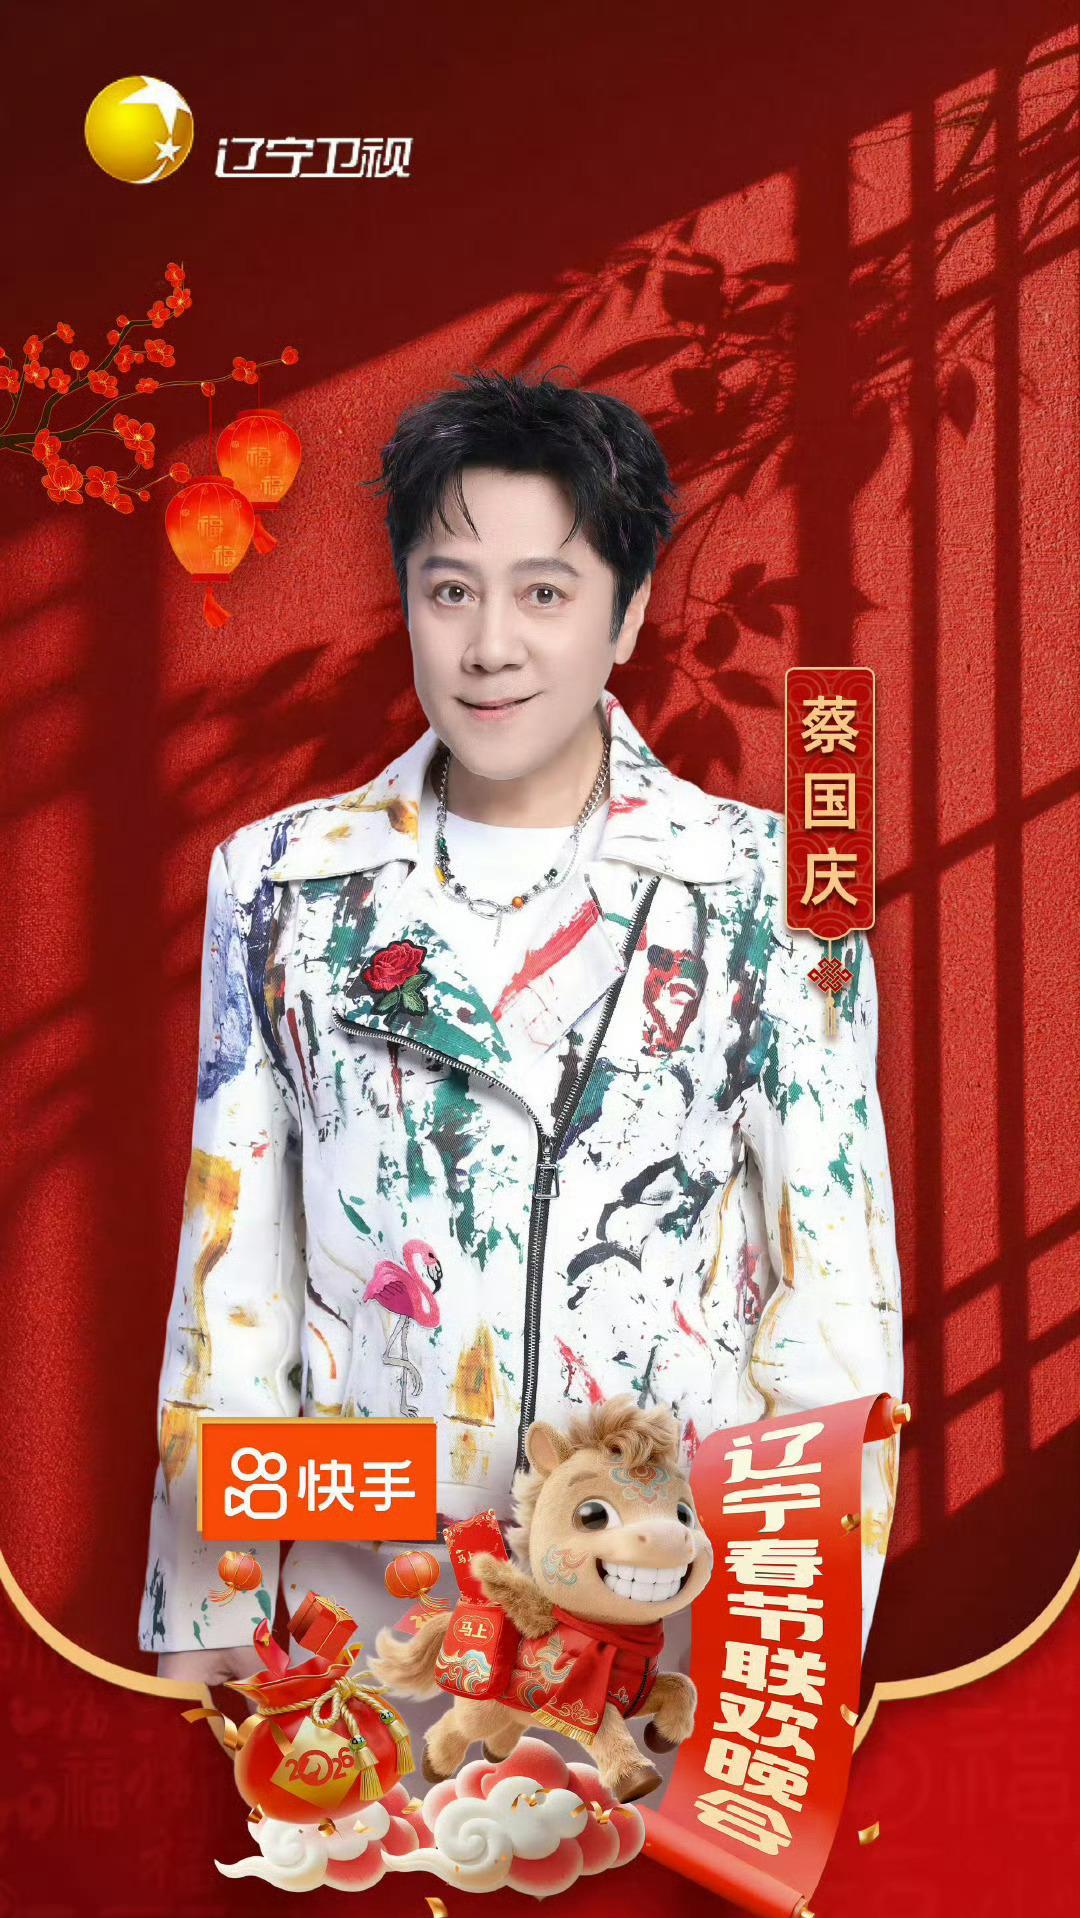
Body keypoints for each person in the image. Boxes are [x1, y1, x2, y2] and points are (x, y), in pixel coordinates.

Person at [143, 369, 903, 1704]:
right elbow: (233, 1279)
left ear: (630, 610)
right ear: (408, 604)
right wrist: (211, 1606)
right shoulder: (282, 882)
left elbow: (835, 1306)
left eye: (545, 593)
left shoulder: (765, 892)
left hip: (668, 1620)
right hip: (365, 1621)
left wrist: (790, 1664)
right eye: (451, 591)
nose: (490, 644)